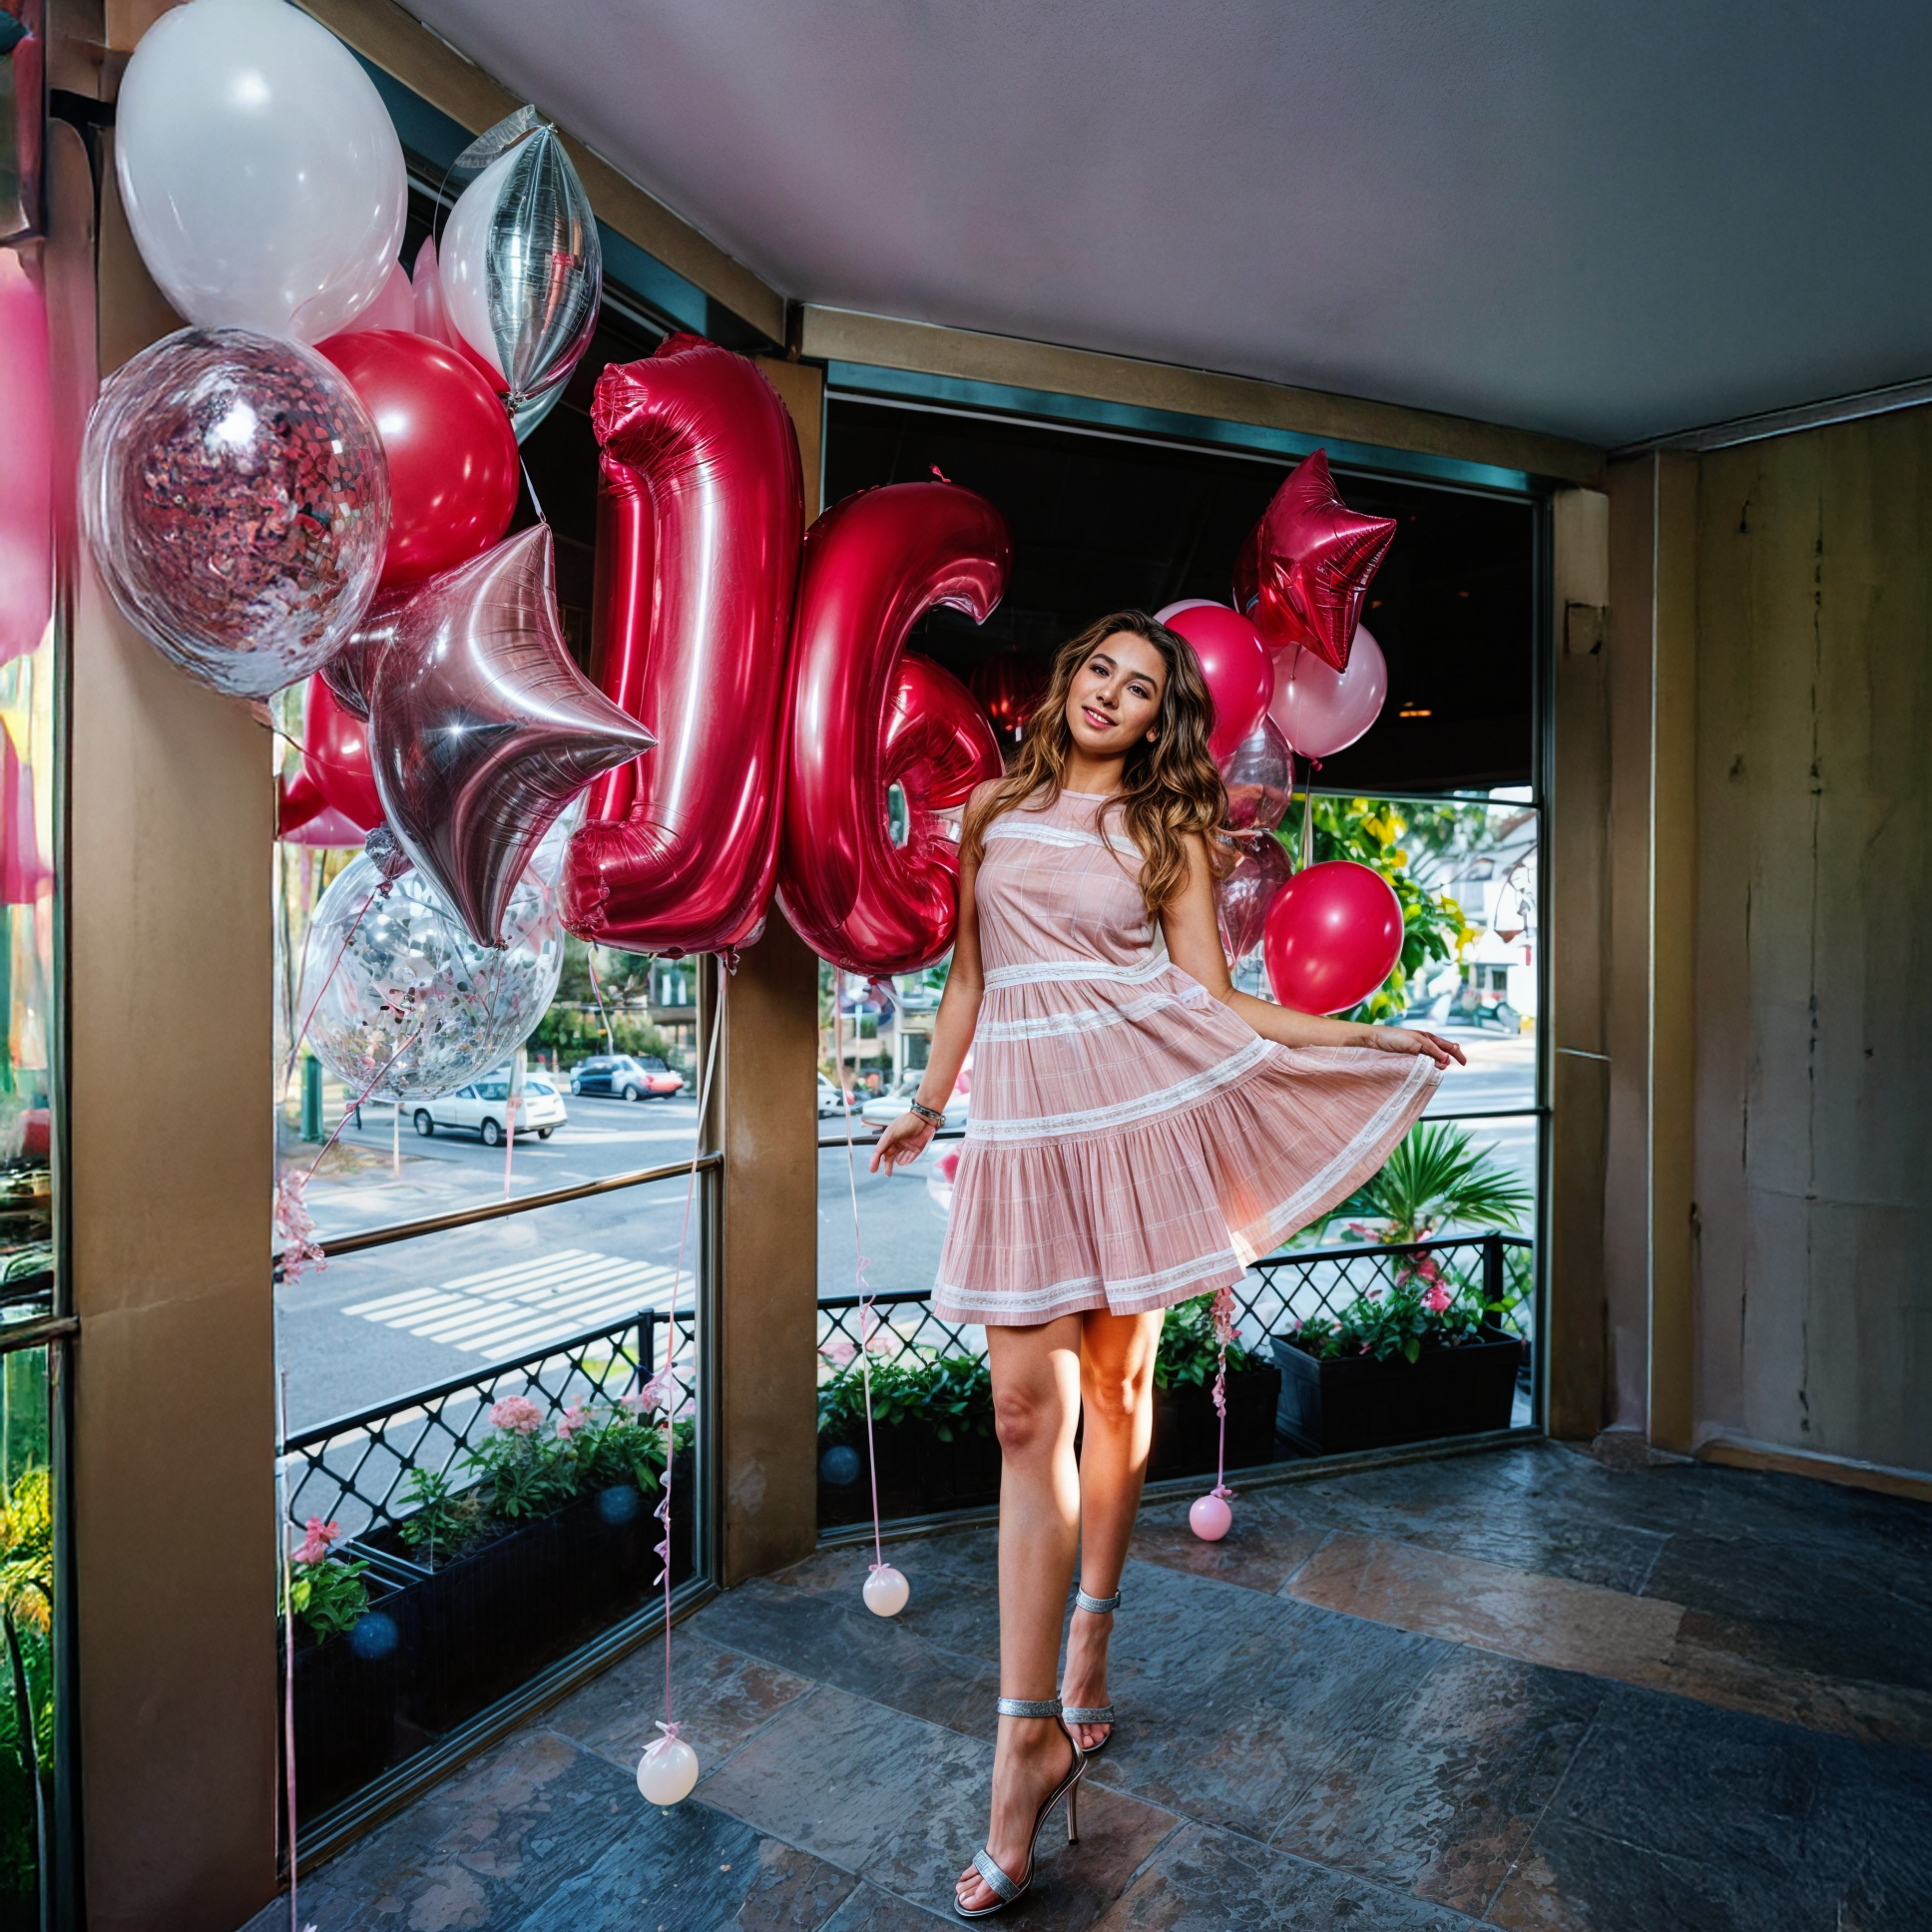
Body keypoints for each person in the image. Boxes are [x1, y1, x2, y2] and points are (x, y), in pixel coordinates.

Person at [869, 611, 1462, 1919]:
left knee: (1119, 1398)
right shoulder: (992, 811)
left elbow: (1211, 1001)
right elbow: (972, 976)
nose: (1112, 697)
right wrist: (927, 1096)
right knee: (1028, 1414)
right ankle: (1027, 1737)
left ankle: (1090, 1632)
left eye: (1142, 690)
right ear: (1073, 678)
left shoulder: (1169, 827)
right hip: (1024, 1131)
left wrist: (1361, 1040)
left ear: (1157, 720)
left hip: (1133, 1123)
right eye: (1101, 671)